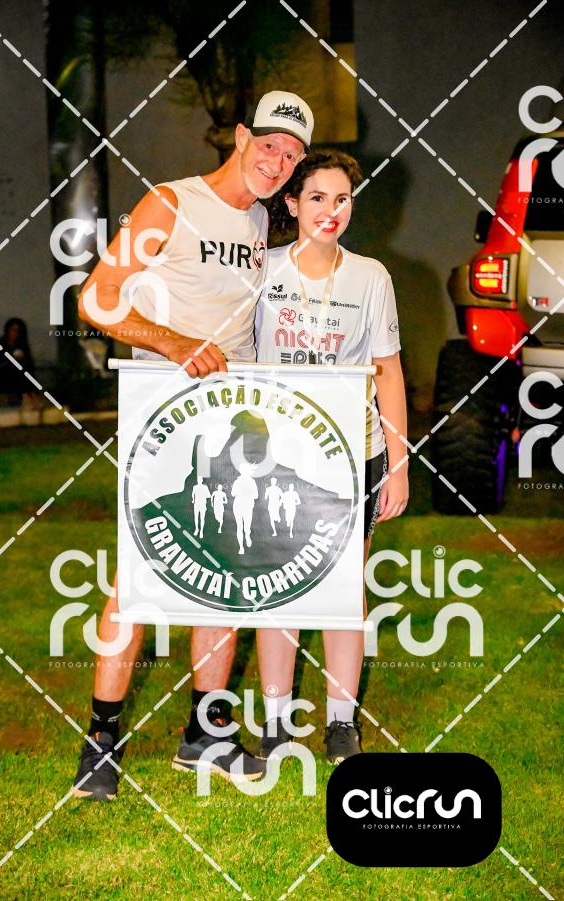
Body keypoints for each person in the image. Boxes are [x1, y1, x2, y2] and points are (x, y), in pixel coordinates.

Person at [72, 91, 314, 799]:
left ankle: (205, 736)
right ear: (239, 137)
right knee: (139, 577)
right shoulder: (170, 203)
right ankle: (100, 741)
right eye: (268, 145)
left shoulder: (259, 219)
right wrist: (175, 344)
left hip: (232, 418)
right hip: (164, 411)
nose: (278, 161)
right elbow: (96, 297)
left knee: (223, 575)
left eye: (292, 154)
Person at [254, 149, 408, 764]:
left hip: (354, 455)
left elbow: (388, 371)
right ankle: (275, 723)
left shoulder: (371, 277)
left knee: (345, 590)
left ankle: (342, 723)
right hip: (278, 460)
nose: (331, 210)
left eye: (342, 199)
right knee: (278, 590)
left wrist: (398, 463)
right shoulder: (262, 269)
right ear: (292, 204)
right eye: (317, 197)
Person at [231, 463, 259, 554]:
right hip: (237, 506)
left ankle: (247, 535)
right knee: (239, 527)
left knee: (246, 527)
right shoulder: (237, 482)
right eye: (241, 470)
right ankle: (241, 547)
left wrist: (247, 492)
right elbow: (232, 494)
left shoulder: (252, 482)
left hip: (247, 506)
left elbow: (256, 496)